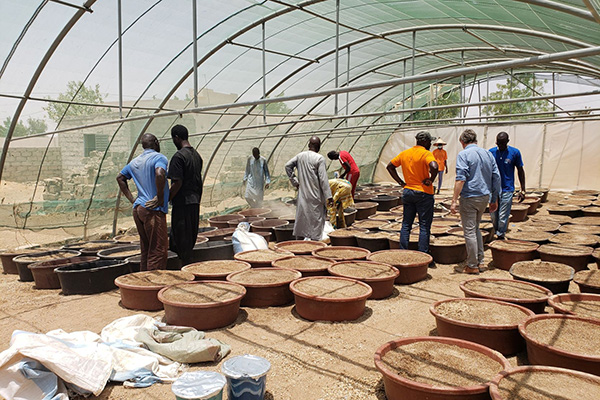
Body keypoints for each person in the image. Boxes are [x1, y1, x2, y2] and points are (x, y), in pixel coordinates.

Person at [451, 129, 501, 274]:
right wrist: (494, 198)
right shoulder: (487, 154)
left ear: (462, 142)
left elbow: (461, 178)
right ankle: (480, 261)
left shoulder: (463, 154)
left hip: (470, 197)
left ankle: (472, 265)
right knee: (476, 228)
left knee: (469, 232)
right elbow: (496, 177)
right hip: (484, 197)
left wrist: (454, 200)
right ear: (476, 140)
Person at [116, 133, 169, 271]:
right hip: (153, 209)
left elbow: (120, 178)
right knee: (158, 249)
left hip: (139, 208)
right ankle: (153, 285)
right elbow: (159, 173)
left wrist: (133, 199)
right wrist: (160, 197)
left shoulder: (134, 162)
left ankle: (143, 280)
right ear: (156, 143)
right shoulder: (159, 158)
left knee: (146, 248)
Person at [386, 131, 438, 258]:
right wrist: (431, 179)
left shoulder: (405, 153)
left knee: (406, 224)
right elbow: (434, 166)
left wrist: (401, 182)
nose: (430, 144)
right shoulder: (426, 153)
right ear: (425, 142)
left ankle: (403, 252)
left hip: (408, 191)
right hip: (423, 193)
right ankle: (422, 255)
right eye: (430, 141)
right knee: (424, 225)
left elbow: (390, 166)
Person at [167, 125, 203, 266]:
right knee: (190, 238)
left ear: (176, 137)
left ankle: (184, 270)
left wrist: (166, 199)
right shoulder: (196, 155)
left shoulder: (178, 157)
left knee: (180, 240)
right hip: (194, 202)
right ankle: (188, 267)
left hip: (182, 203)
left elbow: (177, 183)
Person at [285, 137, 333, 240]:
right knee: (316, 221)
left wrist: (295, 182)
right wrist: (329, 196)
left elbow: (287, 166)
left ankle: (299, 245)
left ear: (308, 145)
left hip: (303, 195)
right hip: (316, 196)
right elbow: (323, 180)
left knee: (302, 220)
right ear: (319, 146)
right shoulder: (319, 159)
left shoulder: (300, 156)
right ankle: (314, 244)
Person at [489, 132, 526, 240]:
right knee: (493, 215)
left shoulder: (514, 153)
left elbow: (520, 170)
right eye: (498, 144)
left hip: (507, 189)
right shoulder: (491, 153)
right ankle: (496, 231)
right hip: (494, 189)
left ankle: (500, 234)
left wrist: (522, 189)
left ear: (507, 142)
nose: (500, 146)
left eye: (502, 144)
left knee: (503, 215)